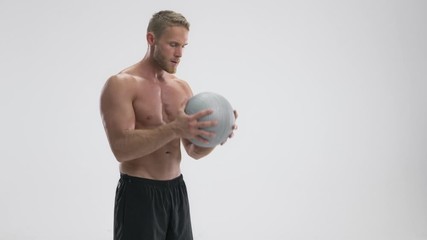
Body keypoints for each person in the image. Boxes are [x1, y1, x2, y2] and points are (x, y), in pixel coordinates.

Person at [100, 10, 237, 240]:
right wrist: (175, 128)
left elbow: (193, 151)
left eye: (184, 46)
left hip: (176, 192)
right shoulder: (121, 84)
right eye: (173, 44)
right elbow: (120, 149)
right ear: (151, 39)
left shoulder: (182, 88)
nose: (179, 53)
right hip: (139, 192)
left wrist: (215, 136)